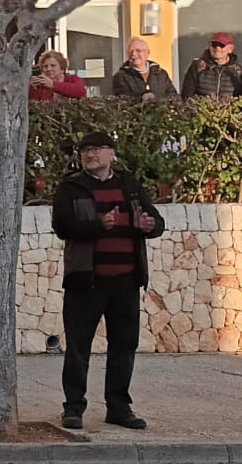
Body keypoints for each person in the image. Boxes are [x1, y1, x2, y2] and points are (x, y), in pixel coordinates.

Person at [50, 130, 165, 431]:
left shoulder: (129, 186)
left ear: (111, 153)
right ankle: (73, 408)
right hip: (85, 281)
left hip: (125, 282)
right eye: (85, 150)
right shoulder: (71, 187)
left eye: (97, 149)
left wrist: (148, 225)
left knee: (124, 347)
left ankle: (119, 407)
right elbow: (62, 226)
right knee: (78, 348)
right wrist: (98, 224)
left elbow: (155, 221)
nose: (90, 155)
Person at [182, 32, 242, 99]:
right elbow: (187, 95)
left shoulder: (239, 71)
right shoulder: (197, 67)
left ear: (230, 48)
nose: (217, 49)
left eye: (222, 45)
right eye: (214, 45)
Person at [109, 38, 176, 101]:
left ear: (147, 53)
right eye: (131, 51)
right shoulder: (121, 76)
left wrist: (157, 99)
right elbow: (122, 99)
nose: (134, 54)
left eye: (138, 51)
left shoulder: (160, 74)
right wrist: (141, 98)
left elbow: (173, 96)